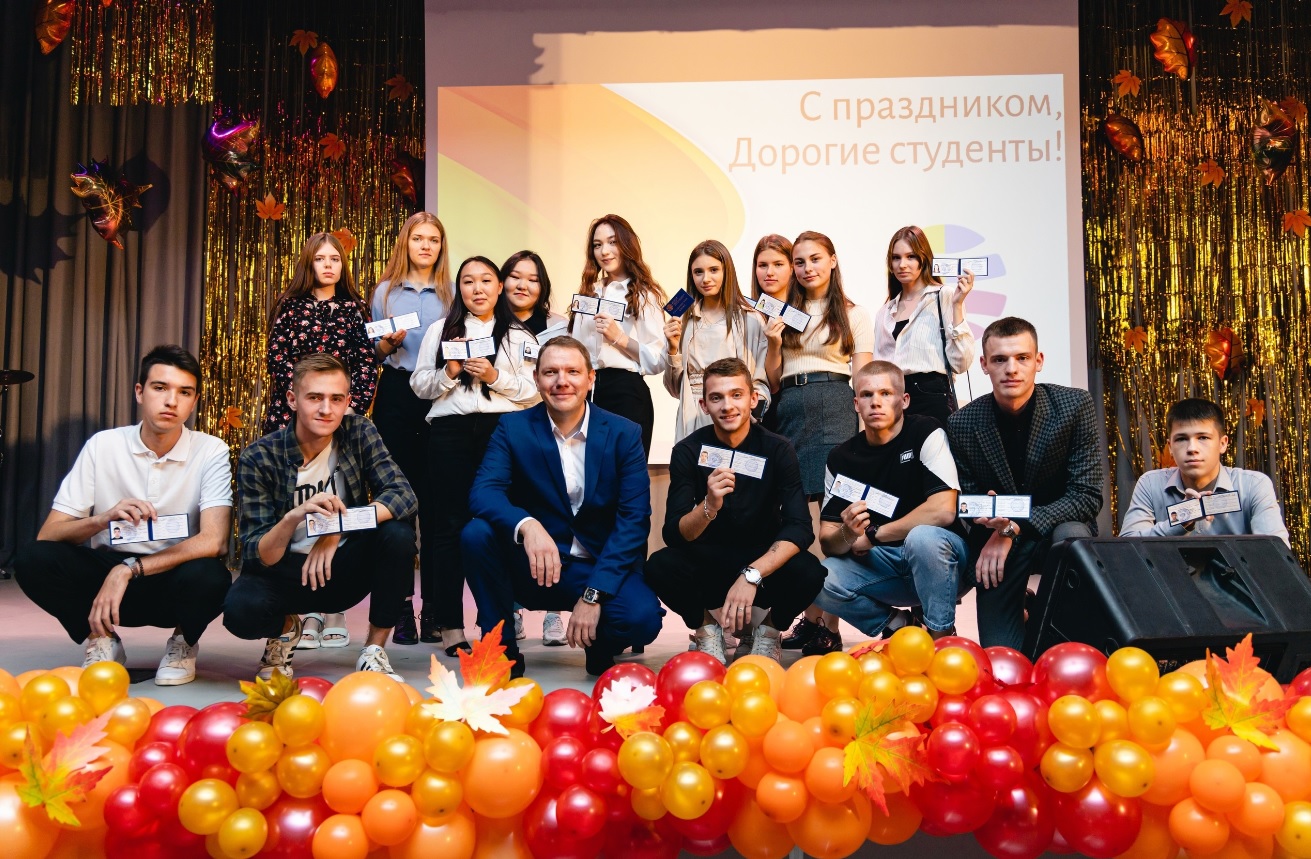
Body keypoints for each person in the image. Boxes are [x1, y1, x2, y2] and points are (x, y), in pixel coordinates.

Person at [14, 346, 232, 685]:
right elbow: (50, 534)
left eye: (184, 392)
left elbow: (214, 541)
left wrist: (128, 569)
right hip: (105, 583)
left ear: (194, 401)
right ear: (139, 392)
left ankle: (184, 642)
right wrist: (102, 519)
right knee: (33, 559)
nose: (171, 401)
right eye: (160, 388)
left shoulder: (211, 449)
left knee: (212, 575)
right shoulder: (103, 445)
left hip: (172, 577)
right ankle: (100, 639)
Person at [461, 336, 663, 677]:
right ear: (537, 379)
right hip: (535, 565)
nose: (561, 381)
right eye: (551, 372)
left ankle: (599, 643)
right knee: (476, 533)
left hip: (594, 565)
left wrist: (594, 593)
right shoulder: (512, 428)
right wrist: (527, 525)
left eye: (572, 371)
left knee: (642, 619)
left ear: (591, 378)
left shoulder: (624, 433)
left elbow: (634, 520)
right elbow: (483, 492)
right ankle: (502, 651)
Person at [224, 354, 418, 681]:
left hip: (344, 566)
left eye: (336, 399)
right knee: (240, 611)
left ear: (347, 402)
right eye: (315, 397)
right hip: (287, 571)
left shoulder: (359, 432)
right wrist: (293, 517)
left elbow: (403, 495)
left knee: (398, 534)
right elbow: (258, 553)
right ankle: (288, 629)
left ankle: (374, 650)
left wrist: (336, 527)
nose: (326, 409)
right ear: (292, 399)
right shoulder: (259, 456)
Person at [645, 358, 825, 664]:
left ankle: (769, 632)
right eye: (717, 397)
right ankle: (706, 630)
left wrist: (752, 574)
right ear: (704, 405)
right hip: (708, 563)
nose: (727, 406)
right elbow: (673, 533)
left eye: (736, 395)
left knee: (811, 571)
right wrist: (708, 507)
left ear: (753, 399)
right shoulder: (688, 451)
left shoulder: (778, 448)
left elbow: (800, 527)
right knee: (659, 565)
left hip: (762, 563)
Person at [946, 317, 1104, 650]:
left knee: (1073, 538)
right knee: (1001, 658)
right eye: (1000, 359)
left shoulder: (1075, 406)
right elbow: (969, 500)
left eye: (1022, 358)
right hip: (999, 540)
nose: (1011, 369)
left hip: (1056, 529)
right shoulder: (962, 423)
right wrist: (987, 518)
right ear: (984, 365)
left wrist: (1013, 526)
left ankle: (1053, 622)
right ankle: (1027, 610)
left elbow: (1086, 497)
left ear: (1039, 361)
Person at [411, 256, 539, 655]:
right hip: (449, 433)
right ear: (459, 288)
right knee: (448, 527)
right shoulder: (440, 330)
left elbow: (535, 391)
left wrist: (494, 377)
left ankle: (496, 624)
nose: (477, 288)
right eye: (468, 281)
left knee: (497, 526)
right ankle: (450, 624)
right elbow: (419, 385)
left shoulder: (519, 335)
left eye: (486, 280)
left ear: (500, 287)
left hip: (502, 433)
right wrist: (449, 373)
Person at [265, 232, 376, 647]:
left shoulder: (355, 308)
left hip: (341, 417)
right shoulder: (290, 306)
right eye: (320, 259)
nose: (328, 265)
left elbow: (366, 363)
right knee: (294, 500)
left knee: (340, 497)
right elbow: (277, 358)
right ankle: (302, 609)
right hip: (293, 417)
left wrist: (349, 408)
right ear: (308, 264)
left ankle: (333, 608)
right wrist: (303, 406)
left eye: (335, 259)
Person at [770, 231, 874, 656]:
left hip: (834, 405)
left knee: (830, 520)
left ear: (832, 260)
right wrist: (773, 341)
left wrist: (865, 431)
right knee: (799, 518)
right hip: (790, 407)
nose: (807, 267)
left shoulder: (854, 313)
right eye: (799, 261)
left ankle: (828, 626)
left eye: (815, 258)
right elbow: (772, 378)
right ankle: (811, 618)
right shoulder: (782, 311)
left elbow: (863, 378)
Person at [812, 361, 969, 640]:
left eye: (885, 393)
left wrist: (873, 535)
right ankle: (900, 626)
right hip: (884, 567)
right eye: (867, 395)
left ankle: (941, 636)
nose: (876, 402)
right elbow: (828, 540)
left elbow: (944, 510)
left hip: (942, 562)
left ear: (904, 400)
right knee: (817, 579)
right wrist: (847, 533)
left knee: (922, 538)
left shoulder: (926, 431)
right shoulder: (841, 457)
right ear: (856, 404)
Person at [370, 212, 453, 647]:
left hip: (439, 394)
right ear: (406, 242)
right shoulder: (384, 292)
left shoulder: (453, 292)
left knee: (437, 506)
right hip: (397, 395)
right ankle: (400, 609)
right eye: (418, 238)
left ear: (441, 246)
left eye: (433, 239)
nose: (425, 246)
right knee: (398, 503)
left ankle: (436, 608)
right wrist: (385, 346)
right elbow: (374, 351)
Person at [501, 249, 569, 645]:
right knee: (512, 520)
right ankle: (511, 608)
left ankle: (555, 613)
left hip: (549, 428)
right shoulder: (490, 323)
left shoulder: (558, 325)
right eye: (515, 276)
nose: (523, 285)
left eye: (532, 278)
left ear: (542, 286)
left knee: (553, 512)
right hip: (506, 431)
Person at [1121, 398, 1289, 544]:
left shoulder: (1253, 485)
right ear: (1170, 447)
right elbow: (1127, 548)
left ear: (1222, 444)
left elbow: (1276, 554)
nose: (1192, 448)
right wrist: (1182, 518)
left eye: (1203, 437)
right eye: (1181, 439)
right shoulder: (1150, 484)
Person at [569, 214, 667, 455]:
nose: (604, 251)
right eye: (597, 245)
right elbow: (575, 348)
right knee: (586, 469)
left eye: (612, 242)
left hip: (627, 393)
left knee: (626, 470)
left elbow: (658, 360)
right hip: (587, 393)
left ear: (626, 245)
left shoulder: (644, 295)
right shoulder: (589, 293)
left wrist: (619, 338)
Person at [663, 240, 770, 442]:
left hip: (735, 416)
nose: (706, 279)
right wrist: (672, 349)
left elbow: (761, 380)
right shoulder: (682, 320)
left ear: (726, 271)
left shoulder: (750, 319)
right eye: (698, 272)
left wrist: (748, 414)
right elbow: (674, 389)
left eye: (714, 270)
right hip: (693, 415)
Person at [872, 225, 975, 425]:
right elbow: (878, 369)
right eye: (896, 258)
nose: (902, 264)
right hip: (892, 400)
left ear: (924, 259)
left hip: (931, 396)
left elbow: (961, 363)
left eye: (911, 257)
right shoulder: (884, 313)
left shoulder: (944, 295)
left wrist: (957, 305)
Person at [750, 234, 792, 431]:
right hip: (755, 410)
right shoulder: (747, 313)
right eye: (762, 265)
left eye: (778, 264)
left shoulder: (803, 314)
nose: (769, 272)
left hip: (794, 406)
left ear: (792, 267)